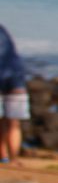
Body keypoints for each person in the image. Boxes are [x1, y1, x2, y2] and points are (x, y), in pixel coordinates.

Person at [0, 21, 27, 164]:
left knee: (6, 121)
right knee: (13, 122)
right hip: (16, 78)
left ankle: (4, 157)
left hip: (8, 77)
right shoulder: (3, 31)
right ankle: (13, 158)